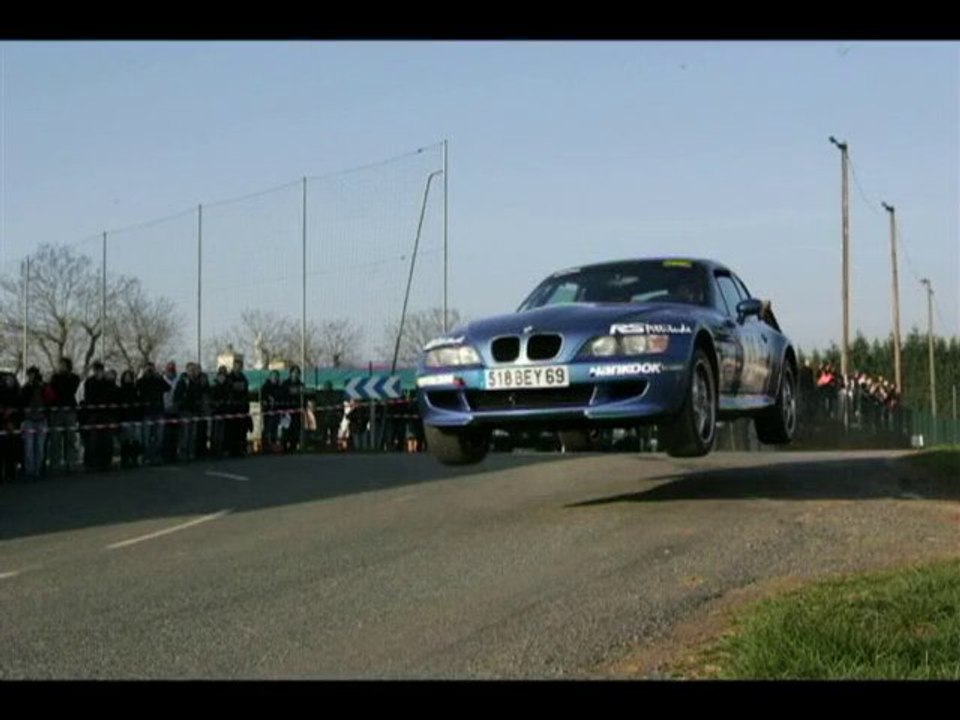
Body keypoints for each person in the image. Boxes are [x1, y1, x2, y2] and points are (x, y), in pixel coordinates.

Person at [20, 366, 54, 479]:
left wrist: (43, 386)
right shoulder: (25, 388)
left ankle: (38, 470)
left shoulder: (43, 387)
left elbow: (50, 398)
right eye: (29, 375)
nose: (31, 377)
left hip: (41, 419)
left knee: (40, 447)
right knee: (28, 448)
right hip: (29, 419)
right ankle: (29, 471)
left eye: (33, 375)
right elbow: (22, 401)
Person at [48, 357, 81, 474]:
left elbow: (69, 390)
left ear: (68, 366)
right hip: (56, 411)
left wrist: (62, 380)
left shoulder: (74, 378)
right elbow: (53, 391)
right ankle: (55, 465)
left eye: (63, 365)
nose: (61, 367)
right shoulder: (54, 378)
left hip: (69, 410)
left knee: (70, 439)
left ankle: (71, 463)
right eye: (59, 364)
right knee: (55, 440)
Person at [137, 362, 169, 465]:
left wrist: (159, 377)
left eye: (151, 369)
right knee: (146, 436)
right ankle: (147, 456)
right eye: (148, 369)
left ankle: (157, 455)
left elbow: (167, 388)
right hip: (147, 412)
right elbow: (137, 387)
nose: (150, 371)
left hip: (159, 411)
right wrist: (143, 375)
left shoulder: (158, 380)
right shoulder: (142, 381)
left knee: (159, 436)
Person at [0, 372, 22, 483]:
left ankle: (11, 472)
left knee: (11, 448)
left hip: (12, 421)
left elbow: (20, 404)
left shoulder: (16, 392)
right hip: (3, 421)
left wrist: (12, 411)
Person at [118, 369, 142, 468]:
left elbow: (139, 401)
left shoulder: (135, 389)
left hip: (135, 417)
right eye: (126, 376)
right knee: (125, 440)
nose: (127, 378)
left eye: (129, 376)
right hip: (124, 417)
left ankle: (134, 458)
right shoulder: (120, 390)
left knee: (136, 439)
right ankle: (124, 459)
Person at [227, 358, 250, 457]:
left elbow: (246, 392)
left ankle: (241, 449)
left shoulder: (243, 378)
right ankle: (232, 450)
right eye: (236, 366)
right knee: (232, 430)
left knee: (242, 431)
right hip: (233, 408)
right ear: (233, 366)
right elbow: (228, 392)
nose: (238, 368)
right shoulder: (229, 378)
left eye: (240, 366)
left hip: (242, 408)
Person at [280, 365, 304, 453]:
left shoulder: (301, 385)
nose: (296, 374)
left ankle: (293, 447)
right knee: (286, 430)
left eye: (297, 373)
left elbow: (304, 397)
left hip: (297, 411)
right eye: (294, 373)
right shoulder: (285, 384)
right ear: (290, 374)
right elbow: (282, 397)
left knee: (296, 430)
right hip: (286, 411)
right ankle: (284, 447)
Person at [259, 370, 282, 453]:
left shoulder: (279, 387)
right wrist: (268, 400)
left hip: (276, 411)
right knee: (267, 429)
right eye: (273, 376)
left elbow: (281, 397)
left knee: (275, 430)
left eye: (276, 376)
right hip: (268, 412)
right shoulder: (265, 386)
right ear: (270, 377)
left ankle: (273, 446)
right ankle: (265, 447)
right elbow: (262, 397)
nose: (275, 378)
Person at [210, 366, 230, 458]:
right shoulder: (214, 387)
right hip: (216, 412)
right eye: (220, 376)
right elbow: (212, 400)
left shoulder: (226, 387)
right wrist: (216, 404)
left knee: (221, 432)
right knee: (215, 432)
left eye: (223, 376)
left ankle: (220, 449)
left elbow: (228, 398)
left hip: (223, 411)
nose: (222, 378)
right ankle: (214, 450)